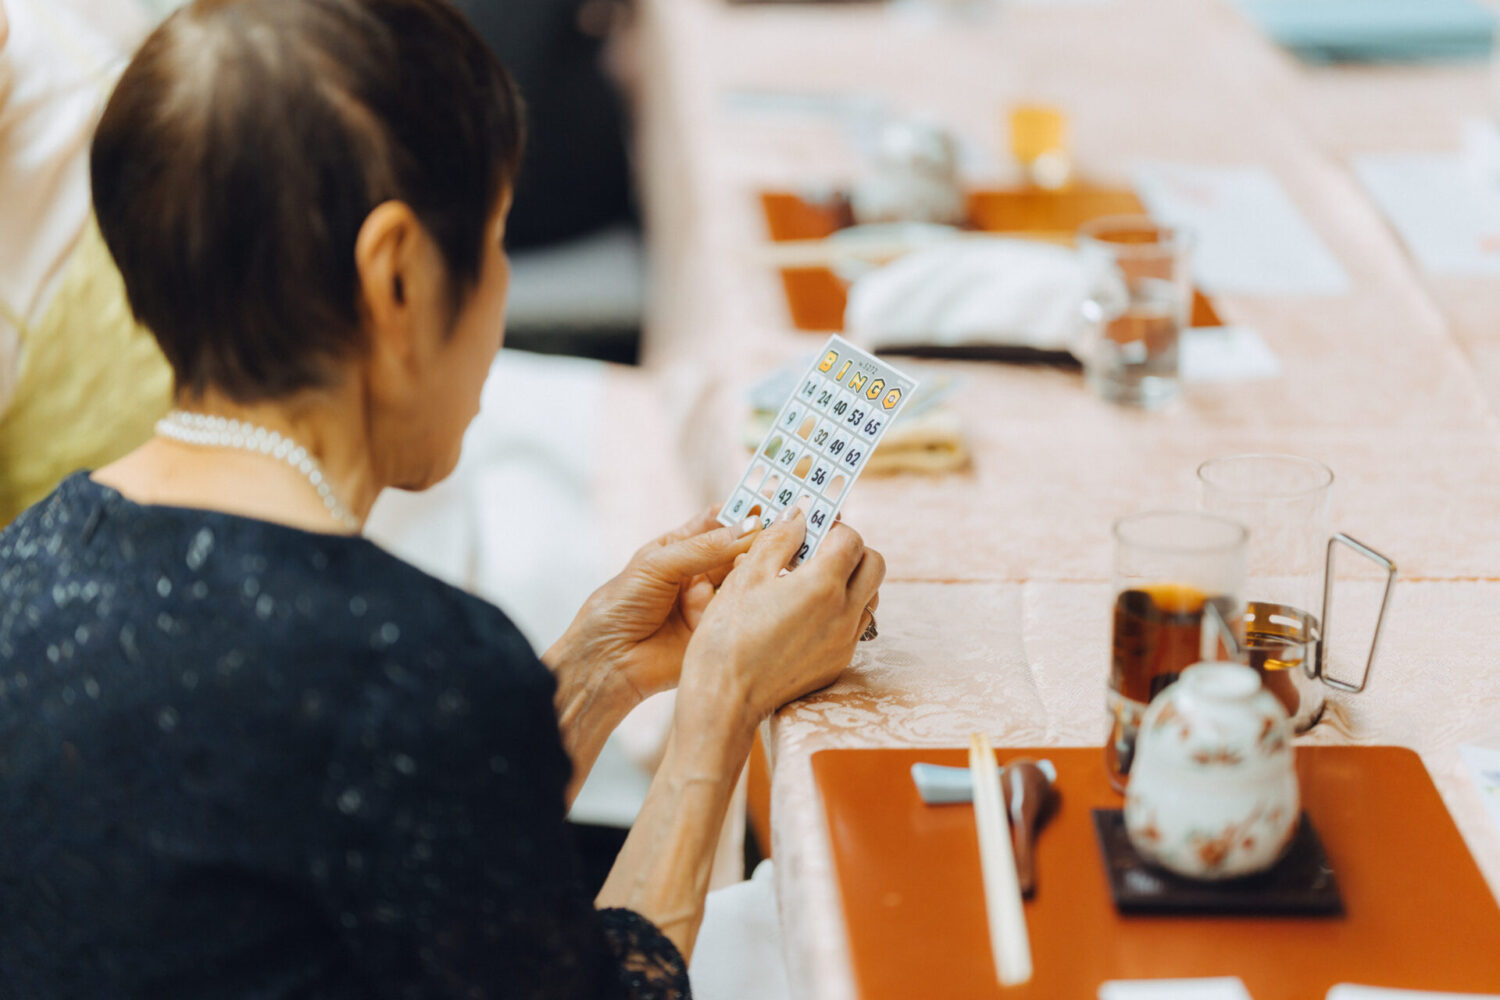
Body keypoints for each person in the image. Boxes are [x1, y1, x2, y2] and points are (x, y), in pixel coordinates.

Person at [0, 1, 884, 997]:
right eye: (496, 242)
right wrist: (720, 706)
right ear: (399, 277)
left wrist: (599, 670)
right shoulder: (412, 661)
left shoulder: (27, 559)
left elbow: (368, 844)